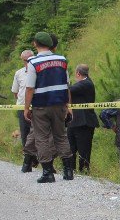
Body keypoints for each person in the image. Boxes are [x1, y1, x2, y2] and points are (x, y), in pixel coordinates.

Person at [23, 31, 74, 183]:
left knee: (42, 138)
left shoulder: (33, 62)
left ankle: (47, 172)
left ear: (35, 44)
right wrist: (68, 105)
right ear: (51, 45)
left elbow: (30, 88)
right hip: (59, 104)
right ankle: (68, 171)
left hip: (41, 105)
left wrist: (26, 108)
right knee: (61, 136)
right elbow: (67, 85)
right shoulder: (62, 59)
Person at [67, 63, 98, 173]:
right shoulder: (83, 83)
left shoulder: (86, 83)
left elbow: (68, 90)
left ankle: (84, 171)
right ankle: (70, 169)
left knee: (83, 149)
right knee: (70, 148)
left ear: (78, 73)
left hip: (84, 122)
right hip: (73, 121)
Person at [12, 50, 34, 154]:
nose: (27, 63)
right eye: (25, 60)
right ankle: (28, 157)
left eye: (29, 60)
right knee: (25, 132)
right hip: (22, 106)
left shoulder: (38, 72)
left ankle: (39, 157)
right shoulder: (19, 73)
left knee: (37, 133)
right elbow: (15, 92)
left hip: (36, 107)